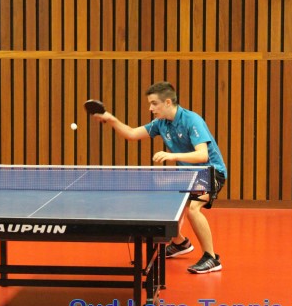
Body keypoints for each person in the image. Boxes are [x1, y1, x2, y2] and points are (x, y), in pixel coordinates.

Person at [92, 81, 227, 274]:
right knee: (162, 201)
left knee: (193, 209)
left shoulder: (191, 120)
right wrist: (111, 119)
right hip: (187, 174)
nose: (150, 108)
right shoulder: (161, 124)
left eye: (154, 103)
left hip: (210, 171)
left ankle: (211, 258)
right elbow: (131, 134)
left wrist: (172, 156)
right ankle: (180, 243)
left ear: (168, 102)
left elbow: (202, 155)